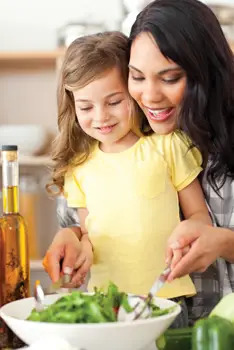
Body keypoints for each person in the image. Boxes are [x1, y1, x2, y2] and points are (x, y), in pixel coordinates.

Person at [44, 0, 234, 322]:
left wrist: (223, 243)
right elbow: (91, 226)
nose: (149, 96)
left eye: (170, 78)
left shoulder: (176, 149)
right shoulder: (91, 158)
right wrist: (72, 235)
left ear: (206, 75)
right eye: (136, 77)